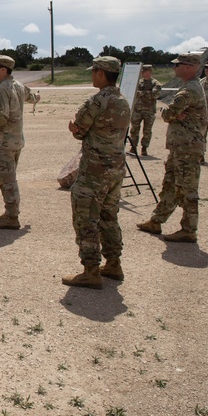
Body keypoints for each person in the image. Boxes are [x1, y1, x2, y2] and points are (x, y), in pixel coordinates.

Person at [62, 57, 131, 289]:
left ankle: (91, 271)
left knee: (86, 219)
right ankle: (113, 263)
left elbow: (80, 130)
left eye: (94, 72)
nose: (92, 76)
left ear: (101, 74)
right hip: (116, 169)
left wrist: (74, 128)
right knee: (109, 217)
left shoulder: (97, 101)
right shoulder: (123, 101)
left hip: (94, 171)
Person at [137, 53, 208, 243]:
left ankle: (189, 230)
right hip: (180, 147)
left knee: (187, 190)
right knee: (170, 184)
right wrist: (174, 113)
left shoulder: (189, 90)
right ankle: (156, 221)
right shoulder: (189, 87)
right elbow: (175, 113)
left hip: (188, 148)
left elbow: (169, 114)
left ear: (188, 67)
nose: (174, 68)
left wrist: (166, 111)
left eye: (178, 65)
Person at [0, 54, 40, 230]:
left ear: (3, 69)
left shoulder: (0, 90)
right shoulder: (17, 85)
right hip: (17, 141)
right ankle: (11, 213)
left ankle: (12, 217)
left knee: (7, 181)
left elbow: (1, 119)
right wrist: (36, 98)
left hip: (4, 143)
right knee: (10, 179)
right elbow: (32, 97)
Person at [129, 64, 162, 156]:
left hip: (149, 110)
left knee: (147, 130)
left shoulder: (156, 83)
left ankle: (144, 148)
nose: (143, 73)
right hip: (137, 110)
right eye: (142, 71)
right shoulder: (138, 83)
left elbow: (155, 95)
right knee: (134, 129)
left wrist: (142, 93)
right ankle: (133, 146)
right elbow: (133, 93)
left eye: (144, 71)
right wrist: (147, 92)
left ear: (150, 72)